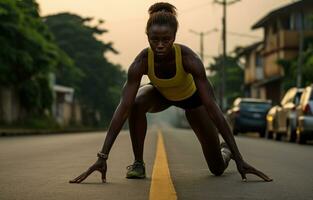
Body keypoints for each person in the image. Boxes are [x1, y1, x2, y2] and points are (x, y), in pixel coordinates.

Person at [69, 2, 272, 184]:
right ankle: (138, 163)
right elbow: (123, 107)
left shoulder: (188, 58)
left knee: (217, 168)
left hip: (193, 101)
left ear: (174, 37)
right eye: (154, 39)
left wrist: (240, 156)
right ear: (147, 35)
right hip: (162, 95)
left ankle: (226, 151)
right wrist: (102, 156)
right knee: (136, 102)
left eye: (165, 39)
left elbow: (212, 108)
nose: (159, 45)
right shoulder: (141, 62)